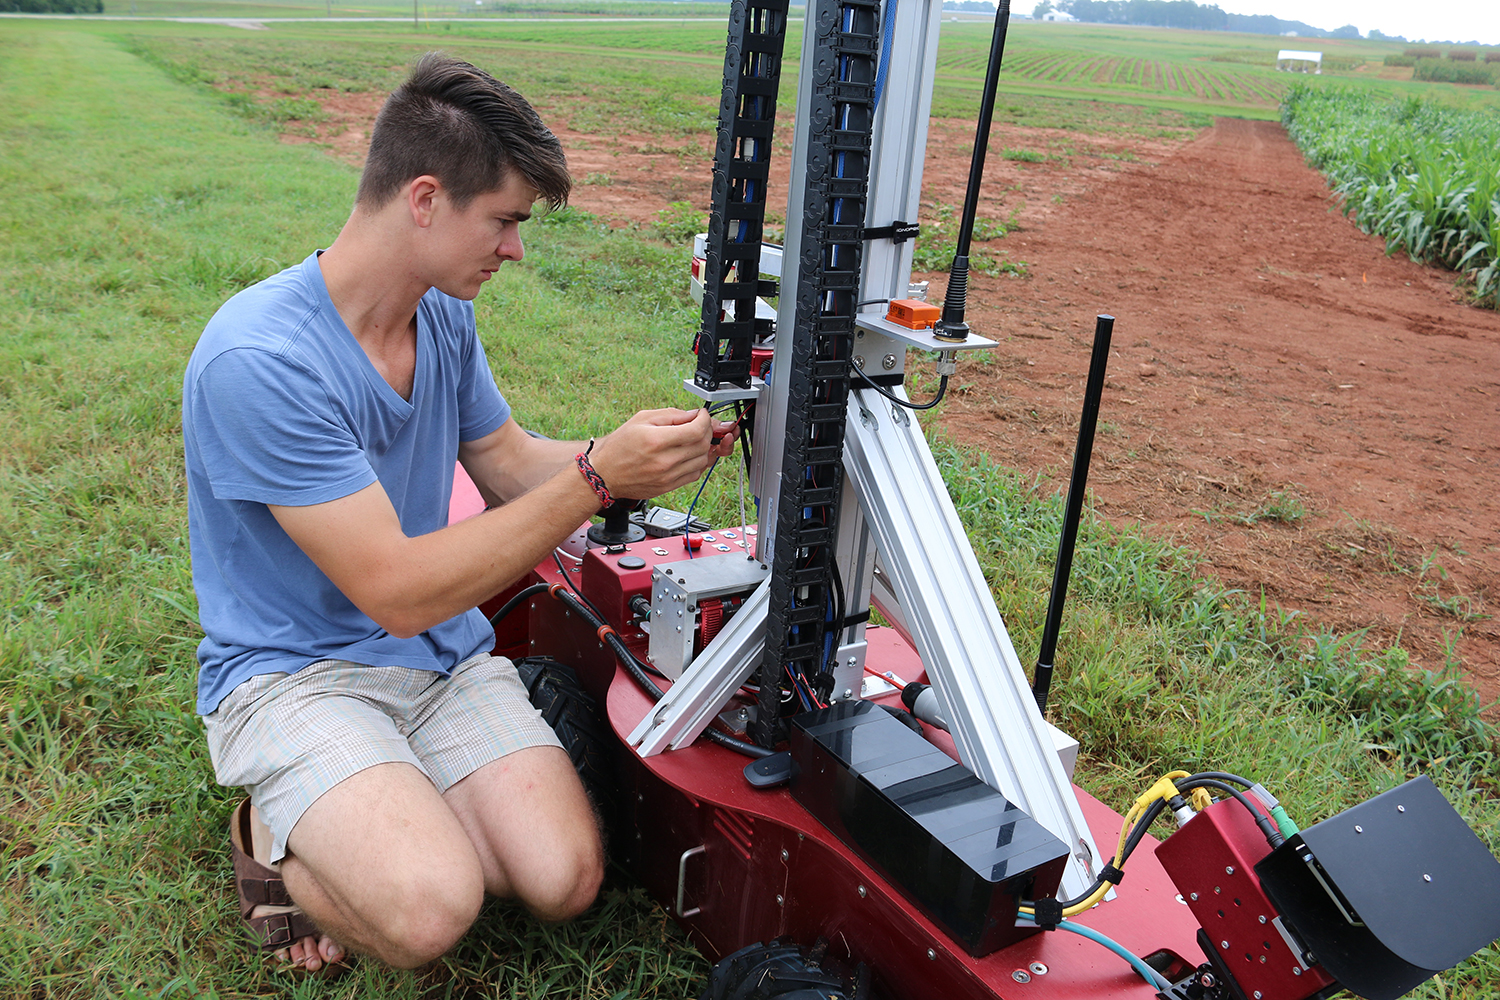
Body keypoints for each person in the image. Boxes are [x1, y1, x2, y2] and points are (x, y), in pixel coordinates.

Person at [183, 52, 737, 974]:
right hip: (295, 672)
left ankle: (374, 806)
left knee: (562, 879)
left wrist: (640, 458)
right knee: (431, 909)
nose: (515, 248)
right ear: (427, 198)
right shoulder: (261, 361)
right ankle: (272, 832)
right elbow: (397, 590)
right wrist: (598, 480)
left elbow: (514, 465)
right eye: (507, 220)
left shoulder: (439, 315)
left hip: (433, 657)